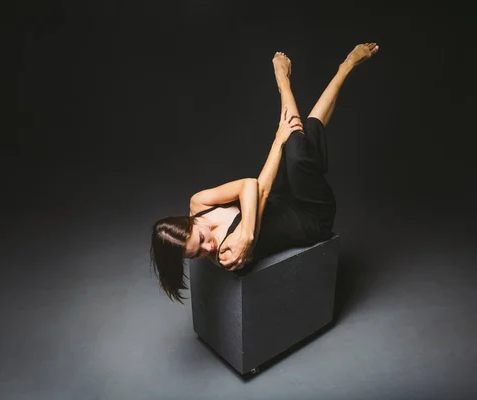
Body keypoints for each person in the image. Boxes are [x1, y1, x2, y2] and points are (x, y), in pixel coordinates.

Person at [150, 43, 379, 303]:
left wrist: (247, 234)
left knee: (303, 139)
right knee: (296, 146)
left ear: (190, 220)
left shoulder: (198, 203)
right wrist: (279, 140)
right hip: (312, 219)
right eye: (197, 255)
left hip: (283, 197)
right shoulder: (227, 254)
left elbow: (252, 185)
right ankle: (285, 81)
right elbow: (259, 190)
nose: (209, 248)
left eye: (201, 239)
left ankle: (344, 68)